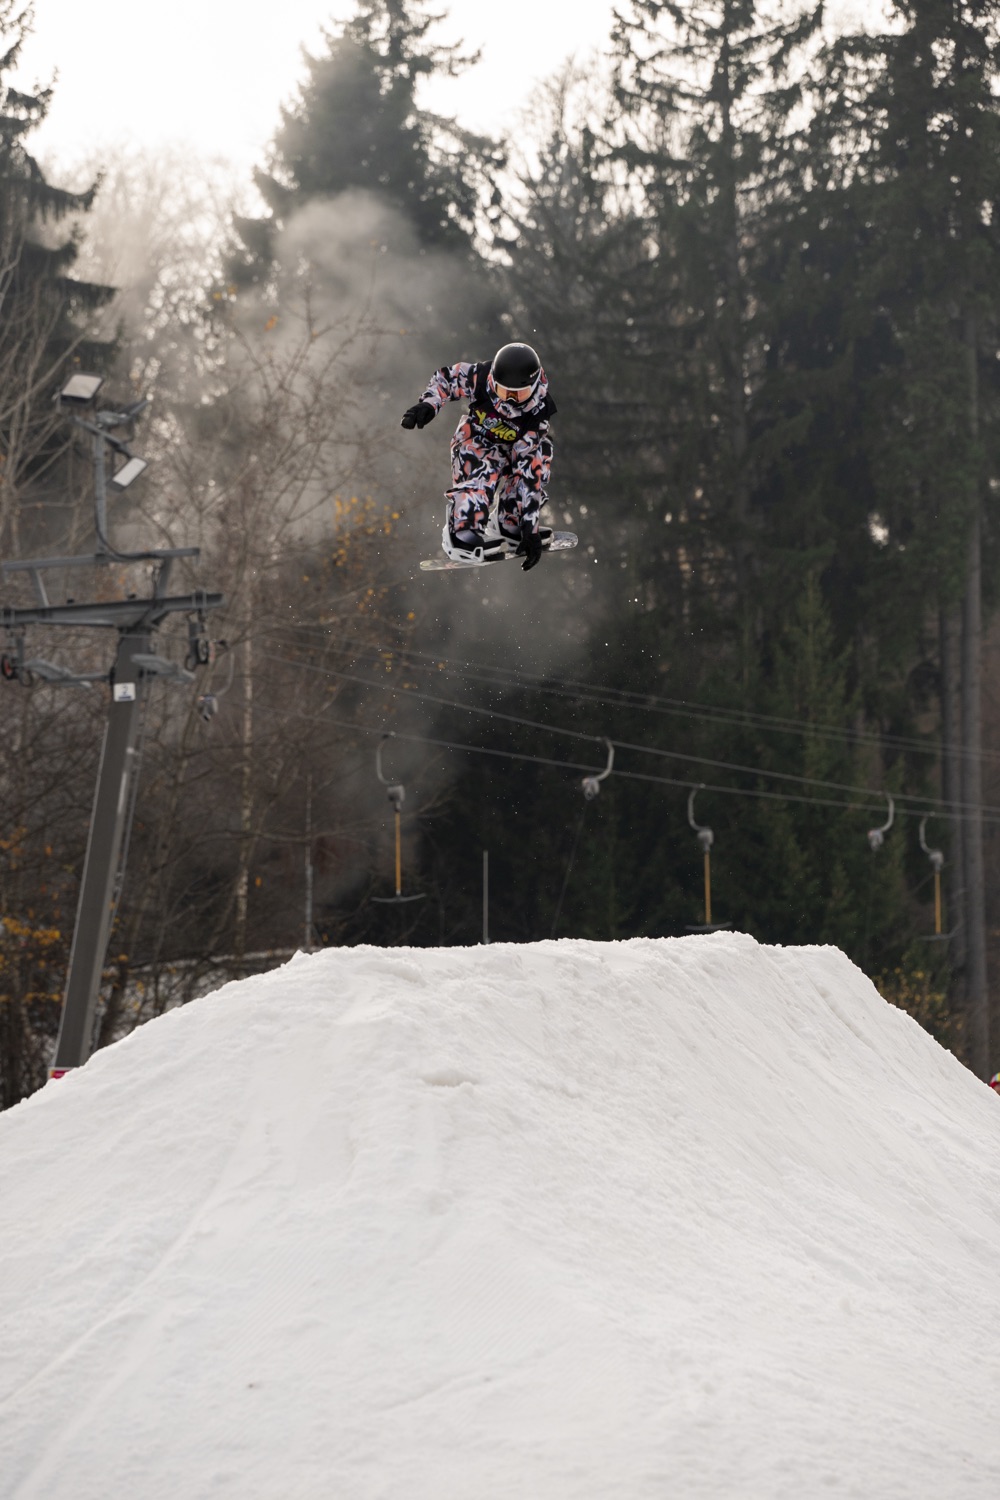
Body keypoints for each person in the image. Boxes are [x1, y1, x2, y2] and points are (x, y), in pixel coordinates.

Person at [400, 341, 556, 570]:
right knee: (482, 470)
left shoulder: (538, 411)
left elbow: (529, 470)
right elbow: (447, 379)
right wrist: (429, 404)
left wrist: (529, 527)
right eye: (504, 392)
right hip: (476, 442)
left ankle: (510, 522)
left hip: (514, 452)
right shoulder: (482, 377)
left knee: (540, 453)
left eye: (519, 394)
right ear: (494, 381)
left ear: (534, 386)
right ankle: (462, 530)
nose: (510, 400)